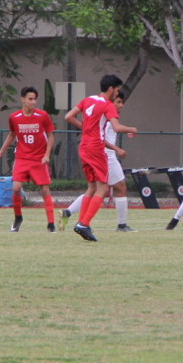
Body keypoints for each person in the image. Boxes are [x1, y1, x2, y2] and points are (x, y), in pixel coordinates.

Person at [63, 74, 138, 242]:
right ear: (111, 89)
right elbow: (117, 127)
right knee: (103, 188)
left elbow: (68, 116)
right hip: (96, 148)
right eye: (117, 90)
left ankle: (81, 223)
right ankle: (84, 224)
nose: (117, 94)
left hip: (83, 147)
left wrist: (86, 128)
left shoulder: (88, 99)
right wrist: (132, 128)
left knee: (91, 187)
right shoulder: (107, 105)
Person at [0, 86, 56, 233]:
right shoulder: (14, 117)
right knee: (15, 188)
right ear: (23, 99)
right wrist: (0, 153)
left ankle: (51, 223)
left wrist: (46, 155)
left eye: (35, 99)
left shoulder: (42, 116)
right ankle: (18, 218)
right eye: (30, 99)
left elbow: (51, 135)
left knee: (44, 189)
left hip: (38, 159)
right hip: (21, 157)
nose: (33, 102)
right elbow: (11, 135)